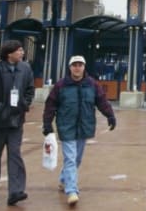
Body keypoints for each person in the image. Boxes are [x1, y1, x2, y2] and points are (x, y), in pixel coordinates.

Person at [42, 55, 116, 206]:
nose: (77, 68)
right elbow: (50, 105)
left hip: (84, 126)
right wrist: (47, 124)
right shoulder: (61, 85)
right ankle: (72, 191)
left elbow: (101, 101)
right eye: (74, 65)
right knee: (70, 158)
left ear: (84, 67)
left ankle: (63, 180)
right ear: (70, 68)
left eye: (80, 65)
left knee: (77, 159)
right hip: (66, 126)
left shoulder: (92, 84)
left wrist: (110, 115)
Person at [0, 40, 35, 205]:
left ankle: (16, 191)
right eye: (19, 50)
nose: (22, 53)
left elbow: (29, 90)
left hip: (16, 121)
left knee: (15, 154)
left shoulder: (25, 68)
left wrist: (24, 104)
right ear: (9, 53)